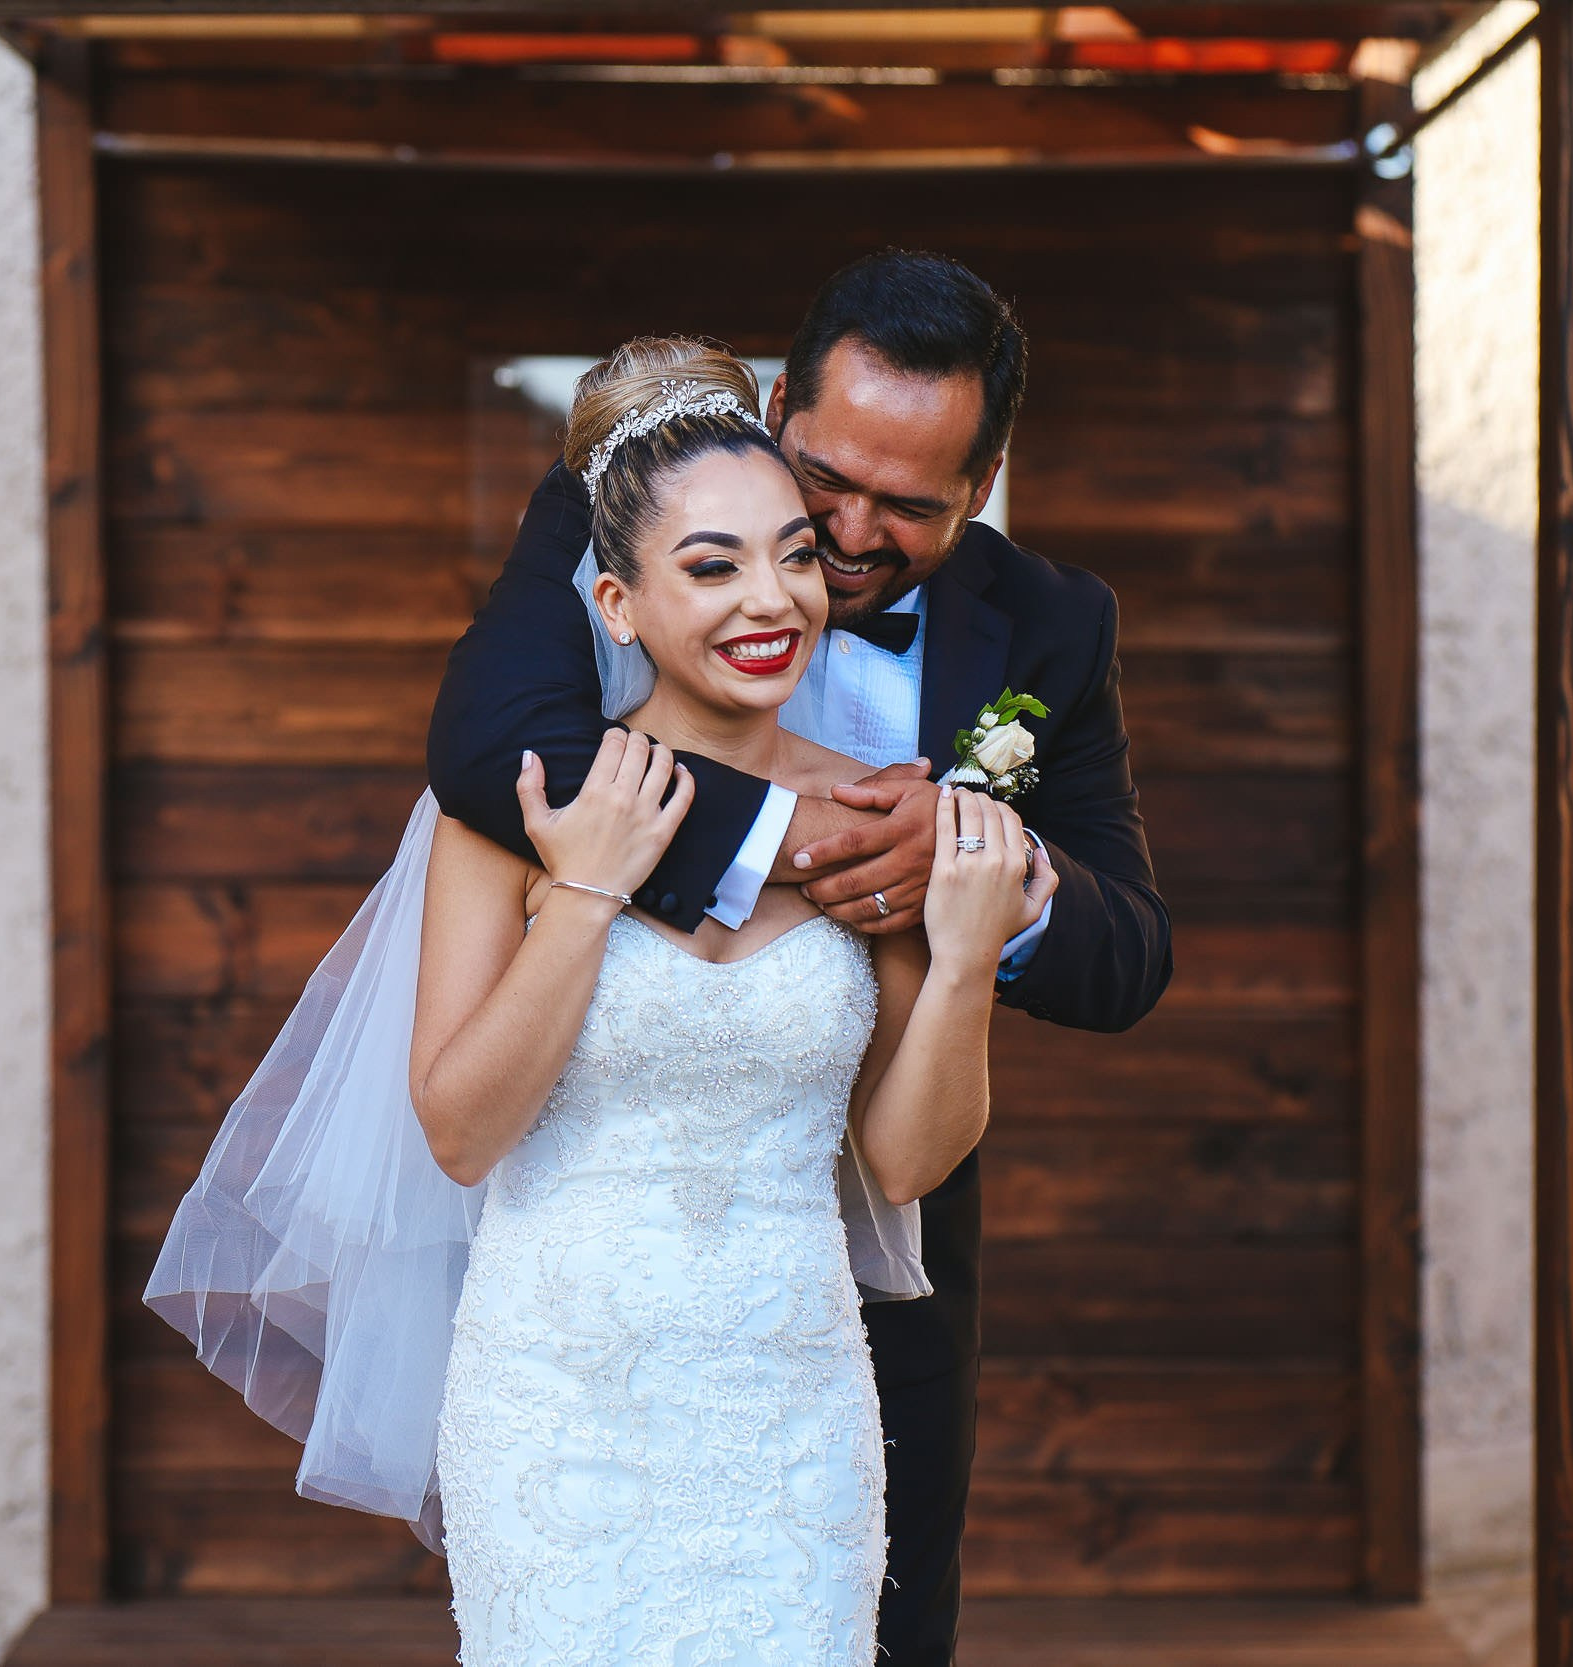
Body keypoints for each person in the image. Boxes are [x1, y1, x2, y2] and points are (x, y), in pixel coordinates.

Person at [425, 252, 1172, 1664]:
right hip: (575, 1344)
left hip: (837, 1331)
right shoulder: (612, 515)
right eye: (826, 475)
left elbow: (1125, 953)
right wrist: (779, 830)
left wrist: (986, 887)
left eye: (912, 506)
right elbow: (487, 751)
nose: (839, 537)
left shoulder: (1056, 626)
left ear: (988, 479)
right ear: (780, 402)